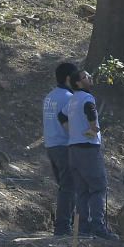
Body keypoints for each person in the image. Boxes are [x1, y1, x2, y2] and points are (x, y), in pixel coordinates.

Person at [58, 70, 118, 240]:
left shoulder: (71, 100)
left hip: (73, 150)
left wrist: (72, 130)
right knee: (98, 187)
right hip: (88, 149)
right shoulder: (86, 98)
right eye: (85, 77)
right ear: (78, 83)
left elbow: (61, 115)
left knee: (82, 190)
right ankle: (98, 227)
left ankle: (83, 228)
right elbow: (90, 110)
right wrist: (93, 128)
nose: (90, 77)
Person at [42, 62, 78, 236]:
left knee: (65, 186)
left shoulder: (49, 96)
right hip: (64, 146)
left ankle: (67, 223)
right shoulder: (69, 97)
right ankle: (63, 226)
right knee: (69, 187)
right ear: (68, 78)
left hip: (51, 146)